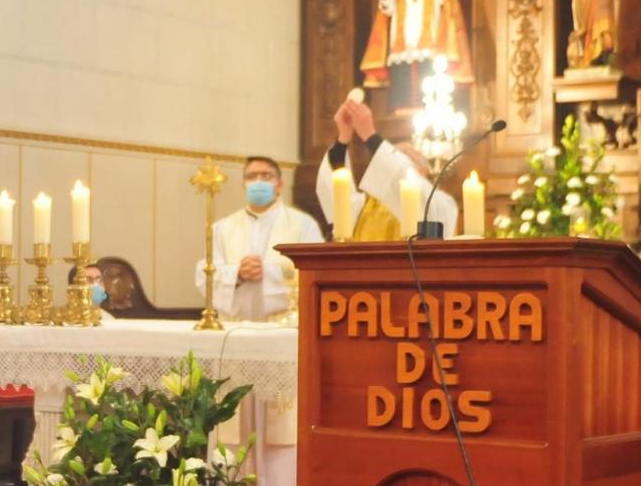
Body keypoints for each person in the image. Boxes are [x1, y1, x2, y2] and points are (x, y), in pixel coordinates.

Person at [194, 157, 321, 320]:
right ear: (244, 185)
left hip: (285, 323)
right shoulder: (222, 228)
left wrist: (266, 271)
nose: (258, 181)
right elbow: (206, 274)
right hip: (235, 326)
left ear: (279, 185)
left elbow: (316, 272)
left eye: (266, 176)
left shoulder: (304, 224)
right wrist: (237, 273)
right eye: (251, 176)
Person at [316, 94, 457, 240]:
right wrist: (343, 138)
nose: (388, 169)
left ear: (422, 171)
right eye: (385, 163)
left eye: (403, 162)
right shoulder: (362, 207)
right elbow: (338, 189)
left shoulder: (438, 205)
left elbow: (403, 175)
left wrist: (370, 136)